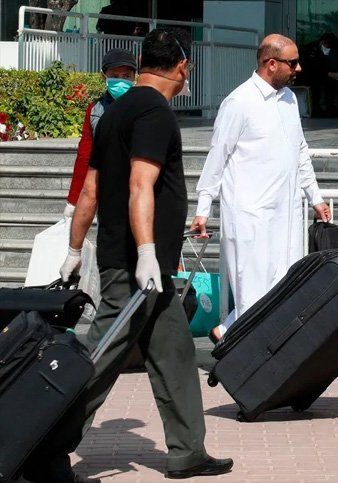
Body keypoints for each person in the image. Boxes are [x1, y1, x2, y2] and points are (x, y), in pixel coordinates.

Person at [26, 29, 233, 482]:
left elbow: (90, 190)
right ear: (181, 66)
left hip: (147, 270)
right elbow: (141, 185)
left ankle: (187, 451)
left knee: (175, 353)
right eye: (188, 68)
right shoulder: (154, 112)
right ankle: (41, 446)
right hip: (135, 268)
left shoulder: (114, 112)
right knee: (98, 359)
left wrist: (75, 249)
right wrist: (146, 252)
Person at [192, 34, 330, 342]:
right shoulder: (239, 102)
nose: (298, 68)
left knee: (283, 286)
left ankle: (226, 333)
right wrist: (203, 208)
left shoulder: (290, 99)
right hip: (249, 214)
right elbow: (217, 157)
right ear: (271, 64)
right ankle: (241, 351)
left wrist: (315, 197)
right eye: (293, 63)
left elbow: (300, 151)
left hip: (287, 212)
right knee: (252, 291)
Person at [65, 48, 137, 219]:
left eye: (126, 76)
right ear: (103, 76)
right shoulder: (95, 110)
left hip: (138, 189)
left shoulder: (144, 108)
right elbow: (84, 156)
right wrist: (73, 200)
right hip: (106, 190)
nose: (121, 81)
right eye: (114, 76)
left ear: (135, 77)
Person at [304, 32, 338, 117]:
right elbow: (311, 67)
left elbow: (331, 64)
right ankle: (316, 108)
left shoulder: (333, 50)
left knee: (332, 82)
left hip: (323, 73)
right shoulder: (312, 49)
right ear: (322, 42)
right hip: (309, 75)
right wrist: (328, 73)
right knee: (317, 82)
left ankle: (331, 107)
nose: (328, 48)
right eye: (327, 45)